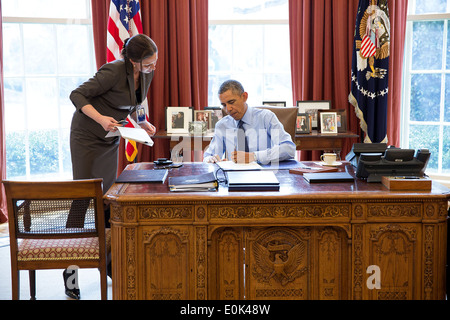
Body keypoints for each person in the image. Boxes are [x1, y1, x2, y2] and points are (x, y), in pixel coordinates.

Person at [67, 34, 158, 299]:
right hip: (87, 137)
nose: (153, 67)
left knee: (107, 198)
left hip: (110, 137)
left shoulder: (146, 73)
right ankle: (70, 272)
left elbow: (128, 104)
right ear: (133, 60)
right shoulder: (113, 70)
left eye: (154, 62)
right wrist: (100, 118)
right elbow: (77, 95)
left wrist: (140, 123)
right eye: (148, 63)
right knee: (82, 200)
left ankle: (109, 266)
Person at [203, 80, 295, 164]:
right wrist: (210, 159)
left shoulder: (266, 117)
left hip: (265, 175)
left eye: (231, 102)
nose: (228, 109)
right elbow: (208, 156)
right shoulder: (222, 125)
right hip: (235, 177)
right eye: (224, 105)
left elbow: (289, 149)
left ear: (244, 97)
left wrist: (254, 156)